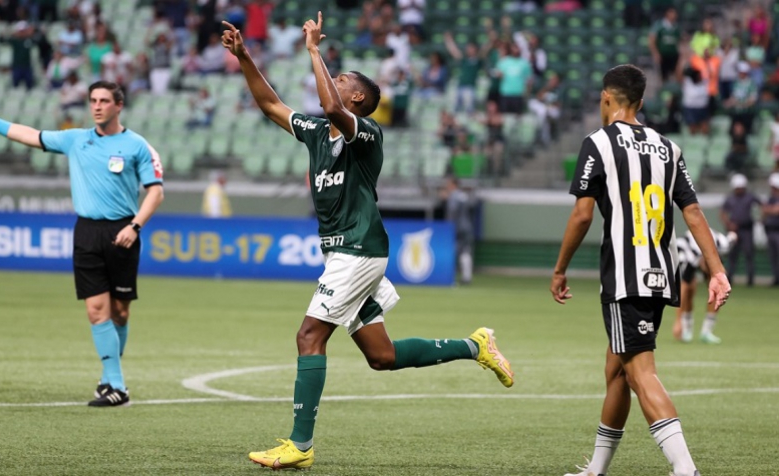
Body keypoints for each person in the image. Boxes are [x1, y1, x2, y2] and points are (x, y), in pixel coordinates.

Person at [221, 13, 514, 470]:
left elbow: (334, 108)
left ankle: (300, 445)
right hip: (345, 251)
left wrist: (315, 51)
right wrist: (244, 56)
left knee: (308, 336)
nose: (329, 83)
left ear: (357, 96)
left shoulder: (367, 133)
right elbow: (271, 106)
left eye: (339, 80)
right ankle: (475, 345)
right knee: (382, 355)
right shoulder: (318, 133)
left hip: (358, 250)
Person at [551, 64, 730, 476]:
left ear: (606, 98)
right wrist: (716, 270)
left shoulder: (597, 143)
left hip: (624, 277)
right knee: (617, 368)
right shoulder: (669, 147)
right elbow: (694, 212)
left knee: (640, 372)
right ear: (642, 102)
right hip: (659, 275)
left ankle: (686, 469)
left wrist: (560, 268)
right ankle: (596, 470)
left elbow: (582, 215)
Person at [0, 81, 165, 407]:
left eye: (104, 101)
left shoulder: (137, 145)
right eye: (93, 100)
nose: (96, 106)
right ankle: (118, 388)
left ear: (118, 105)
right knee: (97, 310)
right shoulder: (75, 139)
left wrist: (135, 226)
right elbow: (32, 135)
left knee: (120, 312)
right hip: (85, 232)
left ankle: (109, 377)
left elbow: (156, 191)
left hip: (122, 232)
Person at [673, 229, 736, 344]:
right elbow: (682, 289)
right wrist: (678, 321)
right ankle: (686, 329)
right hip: (685, 247)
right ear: (702, 262)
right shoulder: (690, 256)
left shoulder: (723, 245)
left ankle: (706, 332)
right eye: (707, 268)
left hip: (709, 244)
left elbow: (733, 236)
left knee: (718, 286)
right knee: (689, 289)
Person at [721, 174, 762, 287]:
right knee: (732, 255)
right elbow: (723, 213)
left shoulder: (750, 197)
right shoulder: (730, 198)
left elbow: (762, 206)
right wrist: (729, 224)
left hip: (747, 229)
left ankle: (750, 278)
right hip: (734, 231)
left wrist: (761, 218)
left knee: (749, 254)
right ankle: (729, 277)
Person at [442, 176, 477, 284]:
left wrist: (449, 225)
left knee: (452, 251)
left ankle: (448, 277)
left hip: (456, 227)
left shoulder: (453, 196)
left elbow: (453, 211)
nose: (447, 187)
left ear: (453, 185)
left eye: (448, 184)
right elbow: (472, 208)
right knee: (465, 252)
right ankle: (467, 277)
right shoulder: (464, 196)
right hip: (467, 226)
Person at [648, 7, 680, 83]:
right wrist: (655, 53)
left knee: (676, 74)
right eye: (672, 13)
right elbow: (652, 40)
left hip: (673, 55)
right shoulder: (659, 26)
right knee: (663, 76)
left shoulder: (676, 27)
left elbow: (680, 40)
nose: (674, 15)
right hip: (662, 55)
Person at [764, 173, 779, 286]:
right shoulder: (771, 198)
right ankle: (776, 278)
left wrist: (768, 210)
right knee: (773, 257)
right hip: (770, 230)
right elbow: (764, 211)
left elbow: (775, 210)